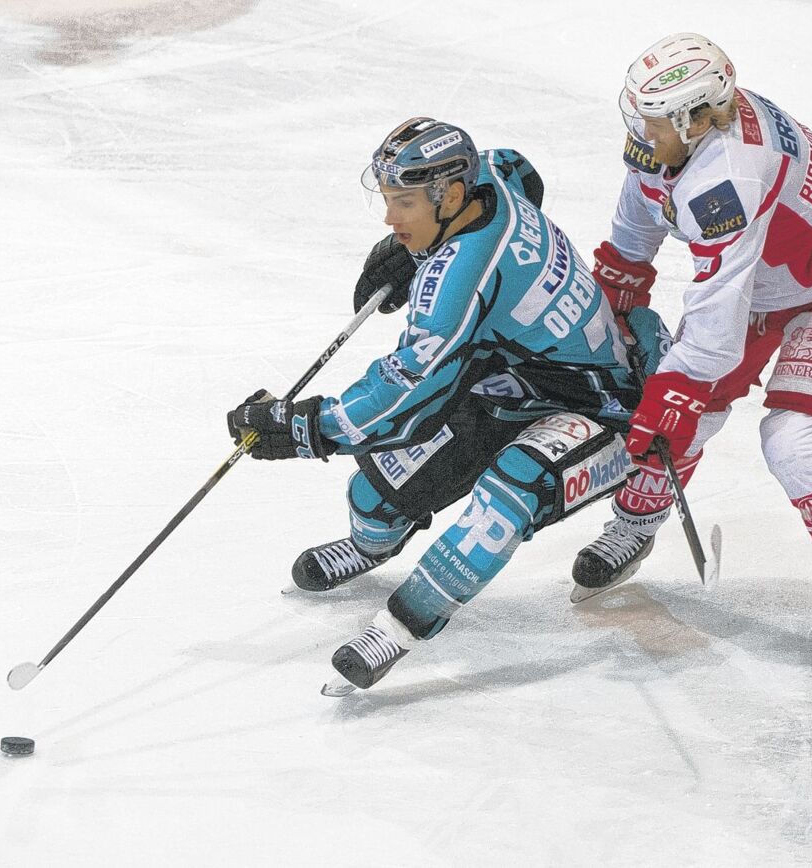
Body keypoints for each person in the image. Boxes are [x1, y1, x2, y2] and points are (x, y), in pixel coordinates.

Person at [227, 117, 669, 693]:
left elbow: (403, 395)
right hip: (507, 381)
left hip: (601, 407)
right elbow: (520, 170)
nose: (390, 218)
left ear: (452, 196)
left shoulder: (459, 280)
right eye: (388, 199)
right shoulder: (489, 176)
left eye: (404, 204)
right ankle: (370, 546)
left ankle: (399, 626)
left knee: (511, 493)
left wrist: (302, 427)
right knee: (376, 494)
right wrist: (413, 250)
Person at [573, 32, 812, 682]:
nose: (639, 133)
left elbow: (714, 320)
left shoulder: (728, 176)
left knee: (793, 441)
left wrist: (673, 393)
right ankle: (636, 524)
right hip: (765, 276)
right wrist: (621, 283)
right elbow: (641, 210)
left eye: (653, 122)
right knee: (683, 402)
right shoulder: (679, 136)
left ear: (697, 118)